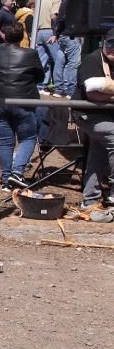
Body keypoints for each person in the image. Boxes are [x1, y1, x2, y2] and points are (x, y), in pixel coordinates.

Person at [0, 25, 43, 191]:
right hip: (23, 101)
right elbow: (40, 76)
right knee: (28, 138)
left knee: (5, 142)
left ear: (5, 36)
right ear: (22, 37)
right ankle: (17, 173)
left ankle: (6, 180)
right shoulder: (30, 54)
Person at [70, 30, 114, 214]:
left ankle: (90, 200)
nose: (113, 48)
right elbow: (92, 93)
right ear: (103, 43)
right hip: (88, 114)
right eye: (110, 43)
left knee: (98, 154)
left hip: (107, 115)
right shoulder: (92, 60)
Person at [36, 0, 65, 95]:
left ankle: (39, 86)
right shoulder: (57, 0)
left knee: (42, 60)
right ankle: (59, 88)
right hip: (50, 31)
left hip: (40, 31)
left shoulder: (42, 0)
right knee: (58, 59)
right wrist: (56, 32)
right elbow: (54, 16)